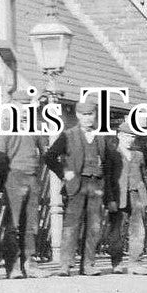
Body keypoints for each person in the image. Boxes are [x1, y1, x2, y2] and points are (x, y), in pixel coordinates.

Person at [43, 99, 113, 276]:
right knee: (71, 225)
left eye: (91, 114)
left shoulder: (101, 138)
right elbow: (50, 156)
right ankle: (65, 265)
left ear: (95, 115)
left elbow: (108, 164)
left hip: (96, 185)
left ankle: (88, 264)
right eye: (85, 115)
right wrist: (64, 173)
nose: (88, 118)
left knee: (94, 226)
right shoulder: (68, 135)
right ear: (78, 116)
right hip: (76, 185)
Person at [0, 113, 47, 278]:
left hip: (32, 177)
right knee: (13, 224)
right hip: (13, 176)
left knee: (31, 224)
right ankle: (13, 266)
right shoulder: (5, 127)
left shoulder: (35, 128)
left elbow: (45, 151)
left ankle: (30, 264)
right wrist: (3, 181)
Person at [111, 121, 147, 275]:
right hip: (118, 196)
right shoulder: (112, 154)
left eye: (132, 136)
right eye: (127, 136)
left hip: (137, 195)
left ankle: (135, 263)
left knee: (138, 230)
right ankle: (117, 263)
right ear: (119, 135)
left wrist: (146, 199)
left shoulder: (139, 155)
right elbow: (108, 178)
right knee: (117, 231)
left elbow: (145, 178)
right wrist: (109, 199)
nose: (130, 139)